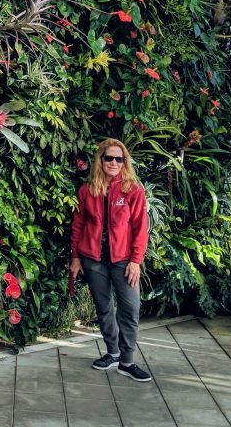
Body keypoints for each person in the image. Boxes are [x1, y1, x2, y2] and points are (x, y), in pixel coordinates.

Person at [70, 138, 152, 382]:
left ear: (124, 162)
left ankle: (127, 361)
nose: (114, 163)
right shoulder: (87, 190)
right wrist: (75, 258)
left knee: (130, 308)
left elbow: (140, 227)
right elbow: (78, 226)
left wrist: (136, 260)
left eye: (120, 159)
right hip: (93, 260)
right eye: (109, 158)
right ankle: (113, 353)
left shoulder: (133, 190)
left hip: (123, 260)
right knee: (104, 309)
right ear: (101, 160)